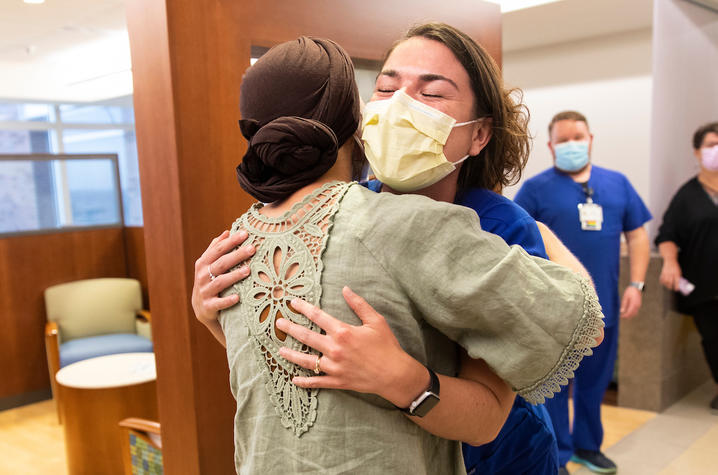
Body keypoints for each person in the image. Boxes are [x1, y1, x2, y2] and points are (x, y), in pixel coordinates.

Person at [194, 37, 604, 473]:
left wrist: (403, 379)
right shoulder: (346, 207)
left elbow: (573, 324)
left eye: (431, 93)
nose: (400, 107)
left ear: (479, 132)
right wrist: (215, 314)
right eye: (386, 89)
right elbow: (302, 355)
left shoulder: (499, 225)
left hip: (497, 457)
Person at [515, 110, 652, 474]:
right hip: (553, 311)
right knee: (556, 388)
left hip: (603, 304)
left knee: (595, 383)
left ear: (590, 139)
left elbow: (637, 235)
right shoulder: (535, 189)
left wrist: (637, 284)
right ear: (550, 145)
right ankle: (557, 455)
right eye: (563, 139)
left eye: (578, 136)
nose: (572, 144)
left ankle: (588, 447)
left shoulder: (617, 184)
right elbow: (515, 242)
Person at [656, 121, 718, 411]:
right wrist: (670, 262)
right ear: (697, 153)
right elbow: (667, 235)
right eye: (711, 145)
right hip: (706, 287)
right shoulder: (687, 196)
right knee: (714, 340)